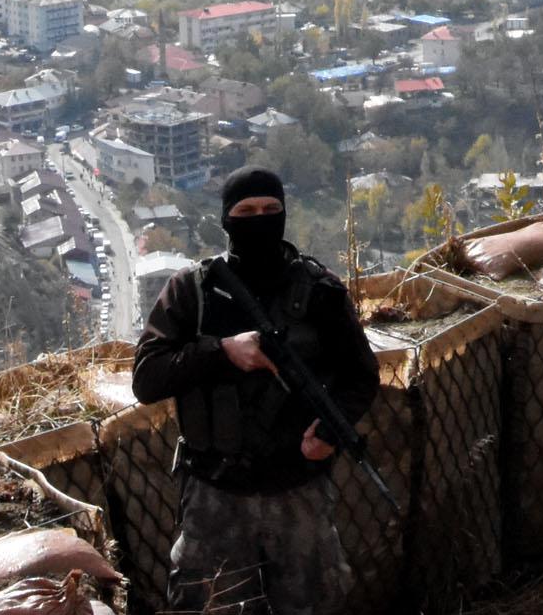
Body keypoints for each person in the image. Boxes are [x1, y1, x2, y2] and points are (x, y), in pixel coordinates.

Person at [131, 165, 381, 615]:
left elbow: (361, 377)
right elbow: (147, 378)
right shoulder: (193, 292)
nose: (260, 219)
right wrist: (221, 351)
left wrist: (329, 430)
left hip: (298, 488)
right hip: (215, 493)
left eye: (271, 209)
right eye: (246, 211)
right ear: (227, 220)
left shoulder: (321, 292)